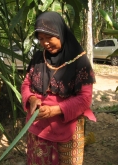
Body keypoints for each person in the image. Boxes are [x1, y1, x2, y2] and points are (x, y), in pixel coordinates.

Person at [21, 11, 96, 165]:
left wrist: (54, 110)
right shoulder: (38, 58)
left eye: (49, 37)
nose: (45, 43)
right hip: (39, 127)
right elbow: (26, 84)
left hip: (67, 127)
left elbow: (84, 98)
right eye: (41, 39)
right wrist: (32, 98)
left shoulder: (80, 62)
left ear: (61, 33)